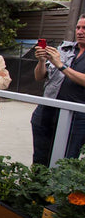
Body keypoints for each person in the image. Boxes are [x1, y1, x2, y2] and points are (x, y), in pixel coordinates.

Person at [31, 15, 85, 166]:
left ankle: (57, 190)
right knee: (40, 157)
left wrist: (61, 65)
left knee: (65, 160)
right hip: (48, 109)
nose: (80, 31)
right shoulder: (64, 49)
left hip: (76, 116)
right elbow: (39, 76)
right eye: (78, 27)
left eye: (84, 28)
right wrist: (42, 61)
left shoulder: (60, 58)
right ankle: (36, 187)